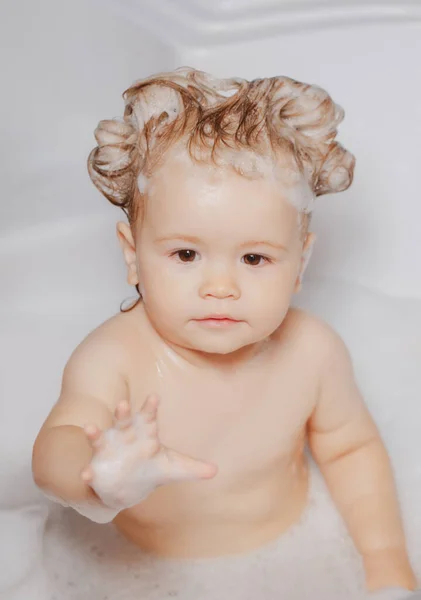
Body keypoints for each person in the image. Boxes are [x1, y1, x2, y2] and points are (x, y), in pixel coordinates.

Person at [32, 67, 417, 596]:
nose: (221, 286)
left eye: (255, 257)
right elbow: (56, 447)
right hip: (143, 569)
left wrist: (386, 559)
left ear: (300, 263)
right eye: (186, 254)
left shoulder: (313, 352)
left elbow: (351, 449)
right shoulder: (114, 357)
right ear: (133, 254)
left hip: (290, 561)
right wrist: (98, 476)